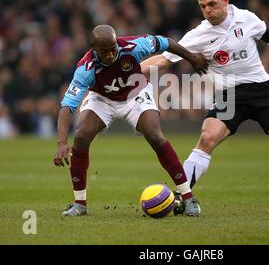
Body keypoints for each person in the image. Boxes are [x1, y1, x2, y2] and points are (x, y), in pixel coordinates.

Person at [141, 0, 269, 215]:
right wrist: (130, 70)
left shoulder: (246, 18)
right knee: (207, 138)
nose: (207, 10)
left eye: (212, 4)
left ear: (225, 1)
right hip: (229, 95)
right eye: (202, 6)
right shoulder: (199, 34)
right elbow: (163, 60)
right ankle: (183, 197)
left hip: (261, 89)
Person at [54, 24, 209, 217]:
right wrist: (61, 142)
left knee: (155, 135)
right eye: (105, 51)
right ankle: (80, 204)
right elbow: (67, 105)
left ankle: (188, 198)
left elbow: (166, 42)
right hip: (102, 99)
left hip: (136, 94)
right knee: (81, 136)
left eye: (113, 48)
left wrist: (192, 57)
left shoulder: (134, 46)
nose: (111, 54)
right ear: (93, 49)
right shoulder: (85, 69)